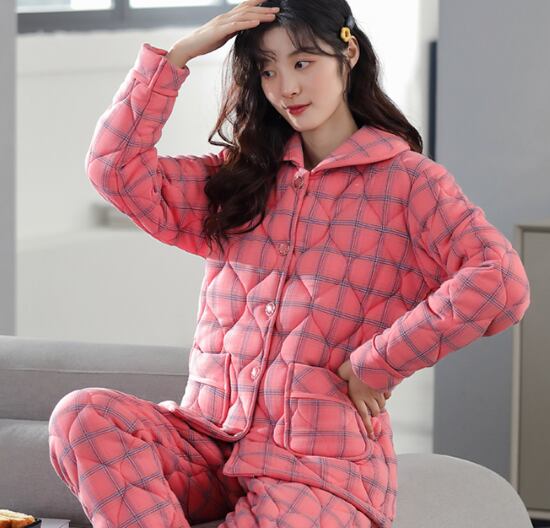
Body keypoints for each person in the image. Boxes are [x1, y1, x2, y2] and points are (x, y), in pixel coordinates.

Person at [47, 0, 531, 526]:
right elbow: (115, 170)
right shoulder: (241, 178)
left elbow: (499, 282)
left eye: (303, 63)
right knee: (82, 416)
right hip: (207, 443)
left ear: (348, 53)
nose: (287, 88)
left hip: (317, 467)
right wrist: (178, 56)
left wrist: (379, 362)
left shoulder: (411, 183)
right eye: (268, 70)